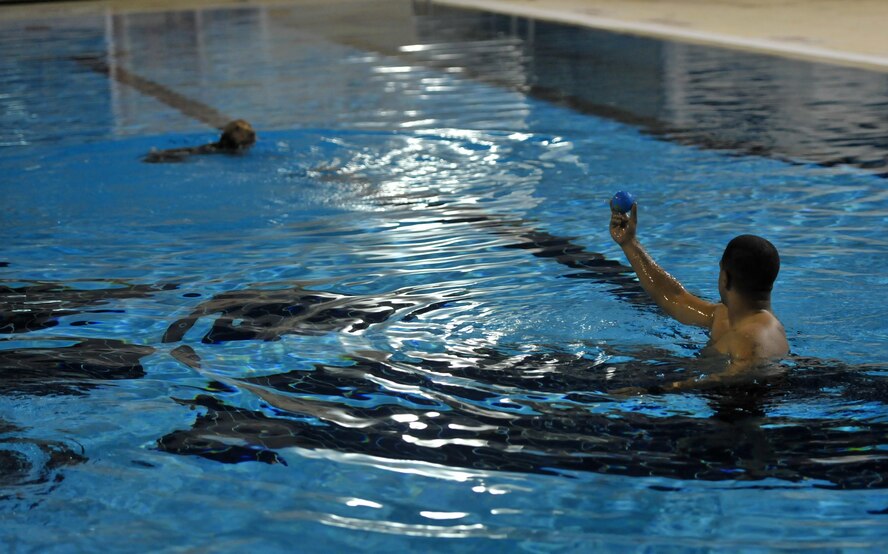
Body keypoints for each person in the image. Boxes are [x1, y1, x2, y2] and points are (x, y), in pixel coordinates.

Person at [610, 202, 788, 388]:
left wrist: (654, 392)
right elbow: (675, 297)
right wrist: (629, 243)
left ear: (725, 277)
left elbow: (737, 377)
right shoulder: (726, 315)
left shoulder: (754, 337)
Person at [143, 119, 256, 163]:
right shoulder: (231, 151)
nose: (249, 133)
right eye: (238, 130)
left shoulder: (223, 147)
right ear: (229, 135)